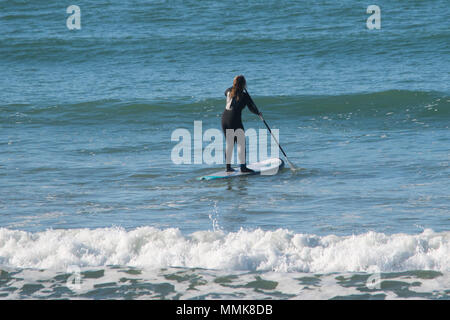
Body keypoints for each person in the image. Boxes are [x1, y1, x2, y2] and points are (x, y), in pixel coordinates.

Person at [222, 75, 261, 172]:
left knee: (229, 143)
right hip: (234, 120)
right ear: (244, 84)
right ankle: (243, 167)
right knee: (241, 144)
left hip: (225, 119)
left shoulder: (228, 91)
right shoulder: (245, 96)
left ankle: (228, 168)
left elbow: (225, 92)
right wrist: (258, 113)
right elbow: (252, 108)